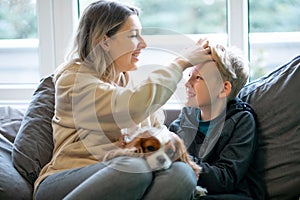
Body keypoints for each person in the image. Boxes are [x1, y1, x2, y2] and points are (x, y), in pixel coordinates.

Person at [33, 0, 212, 200]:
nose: (143, 44)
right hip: (65, 179)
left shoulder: (131, 80)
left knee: (181, 174)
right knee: (134, 167)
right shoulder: (73, 80)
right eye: (134, 35)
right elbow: (130, 107)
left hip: (124, 174)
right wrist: (180, 63)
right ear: (105, 41)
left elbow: (155, 129)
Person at [169, 44, 264, 199]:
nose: (187, 84)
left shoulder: (241, 121)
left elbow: (225, 179)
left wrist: (182, 158)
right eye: (189, 76)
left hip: (232, 194)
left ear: (223, 89)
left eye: (198, 78)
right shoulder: (185, 119)